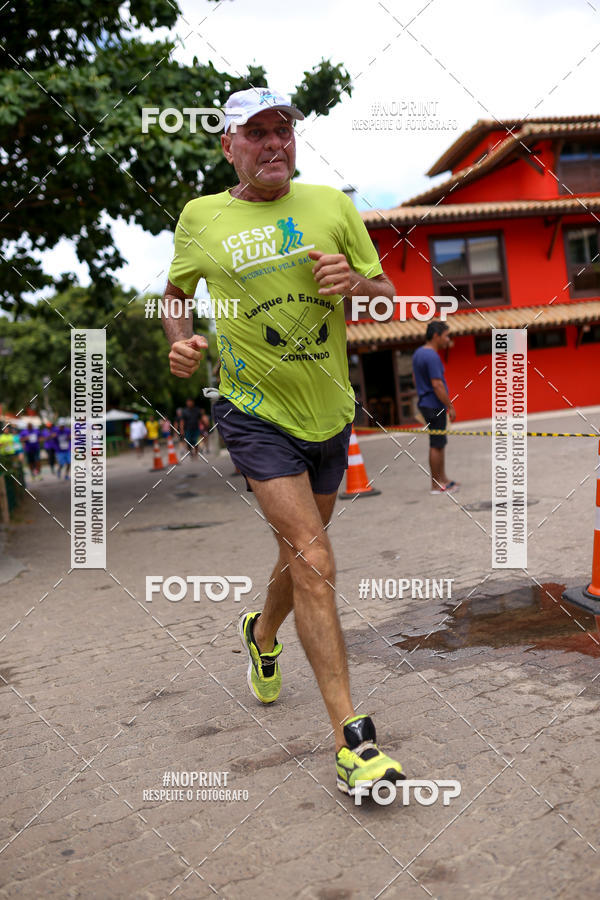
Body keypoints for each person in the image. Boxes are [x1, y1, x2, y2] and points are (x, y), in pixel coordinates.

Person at [161, 86, 405, 795]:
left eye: (283, 131)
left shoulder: (331, 205)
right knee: (315, 556)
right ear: (228, 146)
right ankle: (351, 743)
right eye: (257, 133)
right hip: (251, 411)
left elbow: (389, 295)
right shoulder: (201, 217)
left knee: (302, 555)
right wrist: (183, 343)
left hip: (328, 412)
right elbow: (175, 295)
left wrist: (355, 283)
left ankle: (261, 635)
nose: (275, 144)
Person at [412, 321, 459, 494]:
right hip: (434, 405)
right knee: (436, 444)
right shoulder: (431, 356)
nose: (448, 339)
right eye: (446, 335)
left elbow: (415, 379)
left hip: (426, 403)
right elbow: (437, 384)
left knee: (439, 442)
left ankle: (442, 478)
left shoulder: (418, 353)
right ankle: (436, 484)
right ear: (436, 336)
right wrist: (450, 406)